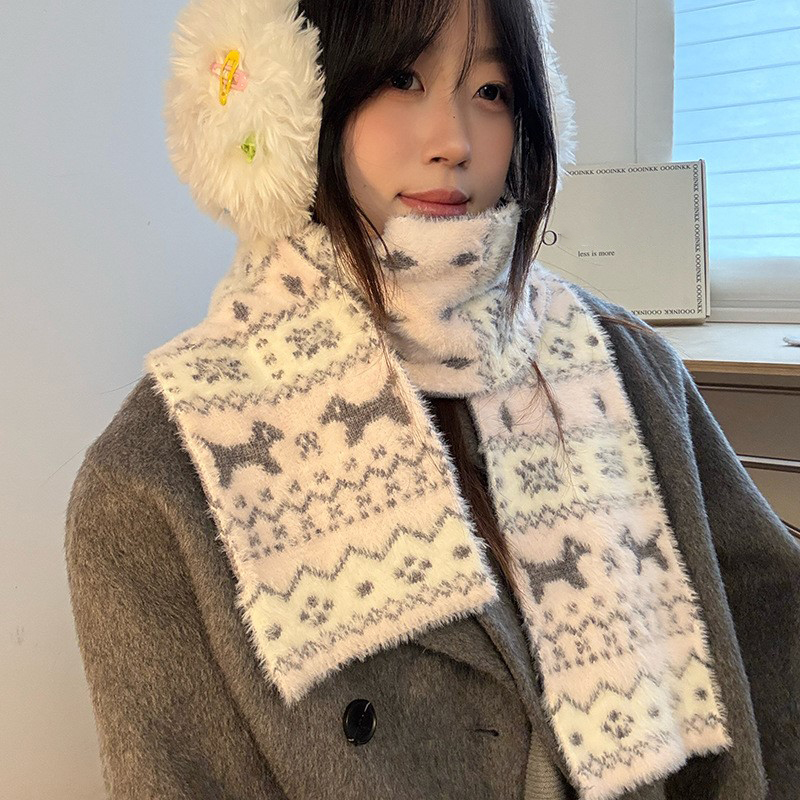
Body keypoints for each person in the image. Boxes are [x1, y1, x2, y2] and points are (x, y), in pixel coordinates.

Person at [64, 0, 800, 798]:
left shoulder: (625, 368)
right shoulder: (156, 481)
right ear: (291, 102)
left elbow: (774, 638)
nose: (455, 141)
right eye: (401, 78)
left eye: (491, 91)